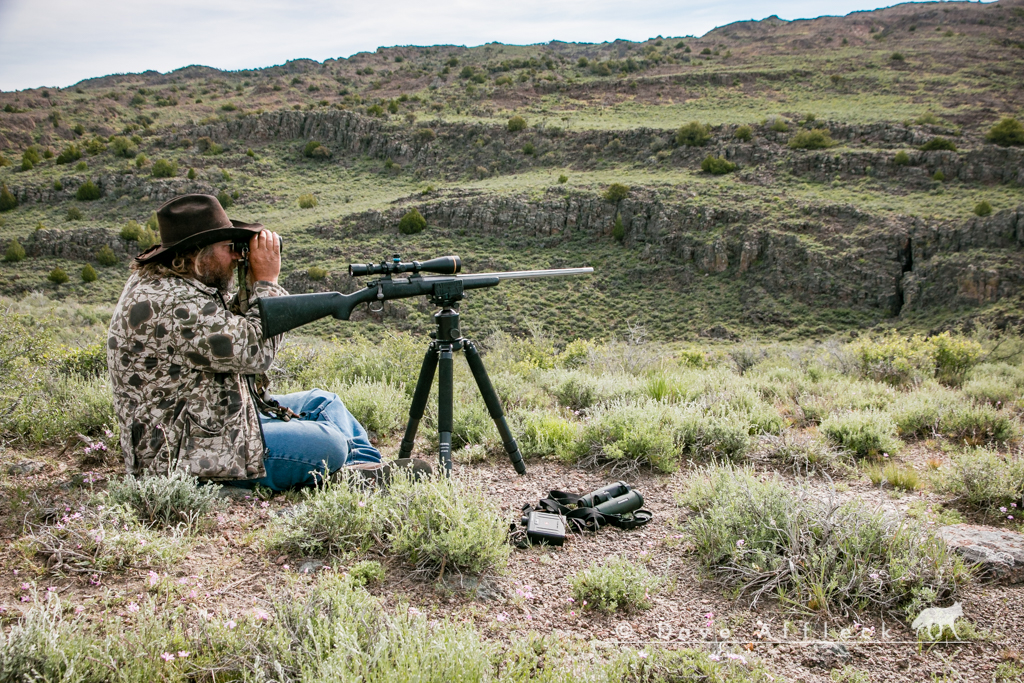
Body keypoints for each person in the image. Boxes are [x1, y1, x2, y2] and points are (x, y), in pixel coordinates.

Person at [106, 194, 427, 490]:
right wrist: (266, 283)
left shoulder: (174, 284)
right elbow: (254, 352)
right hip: (188, 453)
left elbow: (228, 326)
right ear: (197, 254)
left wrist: (248, 286)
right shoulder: (169, 302)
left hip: (212, 418)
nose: (237, 255)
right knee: (329, 443)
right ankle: (349, 474)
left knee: (324, 402)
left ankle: (363, 474)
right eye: (229, 247)